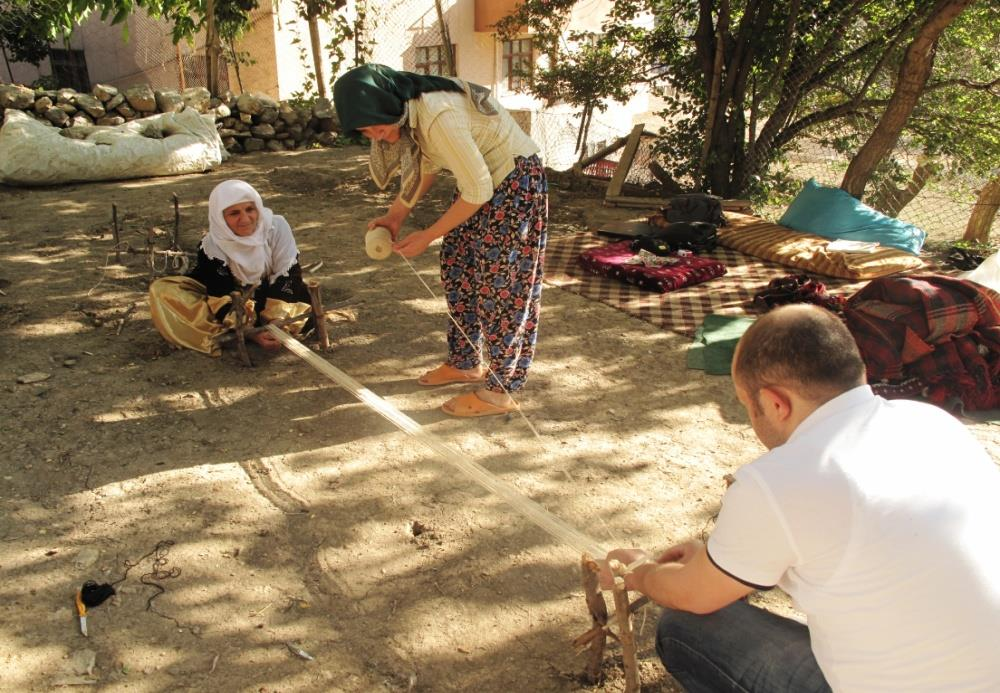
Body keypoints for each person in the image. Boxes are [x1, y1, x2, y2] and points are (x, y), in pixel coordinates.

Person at [599, 304, 1000, 691]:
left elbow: (693, 596)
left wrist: (644, 573)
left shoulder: (781, 479)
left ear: (775, 403)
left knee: (684, 628)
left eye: (748, 407)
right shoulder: (932, 421)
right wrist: (713, 559)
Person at [333, 64, 547, 418]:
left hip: (514, 182)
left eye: (376, 126)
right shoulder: (411, 112)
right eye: (365, 131)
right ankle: (465, 361)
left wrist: (429, 235)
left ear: (388, 107)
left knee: (502, 287)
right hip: (481, 184)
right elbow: (428, 167)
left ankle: (500, 390)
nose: (375, 136)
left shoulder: (437, 115)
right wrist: (395, 216)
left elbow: (478, 188)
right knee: (458, 269)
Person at [149, 179, 313, 356]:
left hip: (274, 294)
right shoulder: (212, 246)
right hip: (233, 300)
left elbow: (288, 274)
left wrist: (277, 320)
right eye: (234, 213)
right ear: (220, 217)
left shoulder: (277, 227)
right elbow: (219, 292)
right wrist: (250, 333)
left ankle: (257, 329)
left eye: (250, 209)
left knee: (302, 299)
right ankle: (237, 332)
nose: (245, 219)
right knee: (162, 291)